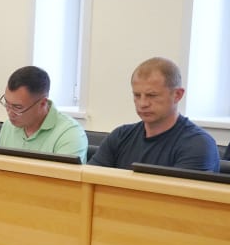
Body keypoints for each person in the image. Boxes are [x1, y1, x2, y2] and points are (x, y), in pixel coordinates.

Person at [89, 57, 219, 171]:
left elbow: (177, 192)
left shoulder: (197, 144)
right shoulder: (120, 136)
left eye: (152, 95)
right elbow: (88, 181)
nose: (143, 103)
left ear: (177, 95)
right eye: (137, 95)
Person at [0, 66, 88, 162]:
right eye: (7, 103)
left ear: (43, 103)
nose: (10, 112)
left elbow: (62, 172)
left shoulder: (70, 134)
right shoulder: (8, 126)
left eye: (18, 107)